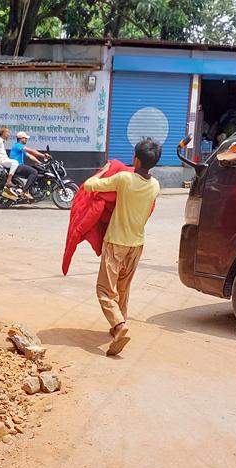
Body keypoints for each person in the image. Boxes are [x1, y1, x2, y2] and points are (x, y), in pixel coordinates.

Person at [83, 138, 161, 356]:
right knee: (123, 289)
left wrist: (105, 170)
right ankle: (119, 324)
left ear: (135, 159)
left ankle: (119, 325)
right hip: (137, 244)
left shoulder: (124, 178)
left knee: (105, 290)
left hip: (116, 241)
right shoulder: (155, 185)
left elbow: (90, 186)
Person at [0, 126, 22, 200]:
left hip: (3, 160)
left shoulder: (1, 141)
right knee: (15, 163)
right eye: (7, 132)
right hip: (1, 161)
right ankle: (9, 180)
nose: (9, 134)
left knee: (14, 163)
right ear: (3, 133)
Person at [9, 131, 47, 199]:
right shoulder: (18, 146)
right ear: (21, 139)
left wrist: (39, 163)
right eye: (25, 138)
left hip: (19, 166)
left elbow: (30, 156)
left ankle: (30, 189)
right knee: (34, 172)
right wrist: (43, 155)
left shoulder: (21, 149)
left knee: (34, 171)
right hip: (17, 166)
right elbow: (31, 151)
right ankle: (25, 191)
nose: (26, 139)